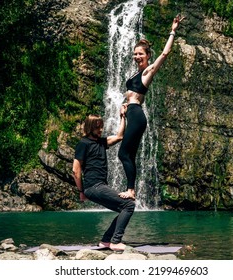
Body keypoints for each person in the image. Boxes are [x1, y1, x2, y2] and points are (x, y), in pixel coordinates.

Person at [118, 14, 185, 200]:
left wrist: (173, 30)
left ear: (148, 56)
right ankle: (130, 190)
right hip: (131, 114)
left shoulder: (148, 72)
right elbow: (132, 95)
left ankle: (131, 191)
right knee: (128, 154)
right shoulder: (133, 75)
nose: (136, 56)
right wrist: (124, 106)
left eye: (140, 53)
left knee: (123, 153)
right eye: (135, 53)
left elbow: (164, 53)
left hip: (138, 116)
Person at [72, 111, 135, 251]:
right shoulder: (83, 143)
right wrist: (81, 191)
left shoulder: (101, 142)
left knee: (124, 208)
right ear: (89, 127)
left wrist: (122, 117)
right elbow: (75, 170)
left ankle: (106, 241)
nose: (100, 130)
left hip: (99, 186)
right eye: (97, 127)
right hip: (93, 186)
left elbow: (119, 137)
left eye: (101, 126)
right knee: (129, 205)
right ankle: (115, 241)